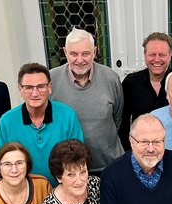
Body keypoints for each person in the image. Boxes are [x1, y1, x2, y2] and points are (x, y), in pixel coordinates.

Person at [0, 63, 84, 186]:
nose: (35, 93)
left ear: (50, 87)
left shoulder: (67, 116)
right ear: (20, 89)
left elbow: (77, 159)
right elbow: (4, 164)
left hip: (63, 191)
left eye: (41, 86)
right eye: (28, 87)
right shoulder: (7, 121)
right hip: (24, 192)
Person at [50, 28, 124, 174]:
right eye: (73, 54)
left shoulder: (111, 78)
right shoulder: (51, 80)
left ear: (94, 52)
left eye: (85, 53)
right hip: (71, 169)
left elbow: (117, 118)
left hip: (110, 164)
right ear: (65, 52)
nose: (80, 60)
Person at [120, 32, 172, 150]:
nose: (157, 59)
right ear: (145, 54)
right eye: (152, 54)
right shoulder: (131, 83)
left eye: (162, 55)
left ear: (170, 54)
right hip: (142, 151)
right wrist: (130, 151)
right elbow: (124, 123)